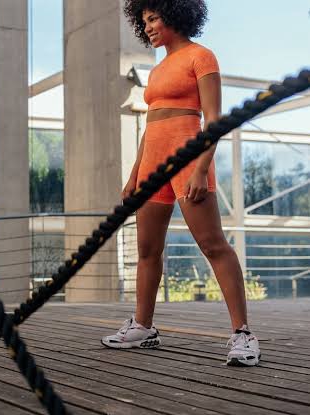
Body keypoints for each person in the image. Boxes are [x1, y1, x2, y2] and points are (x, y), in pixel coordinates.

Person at [101, 0, 260, 367]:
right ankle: (143, 326)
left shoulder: (201, 56)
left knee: (213, 244)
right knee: (147, 250)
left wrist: (201, 168)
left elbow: (215, 119)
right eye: (144, 21)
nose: (148, 27)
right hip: (152, 166)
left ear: (175, 15)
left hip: (188, 161)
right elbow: (151, 127)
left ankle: (243, 334)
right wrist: (134, 175)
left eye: (154, 18)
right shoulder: (157, 70)